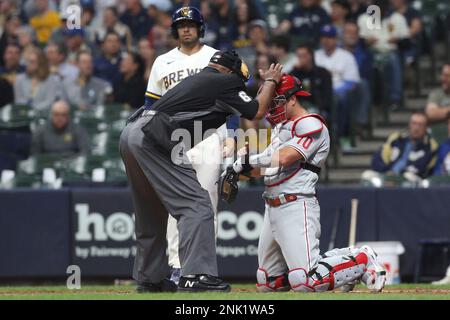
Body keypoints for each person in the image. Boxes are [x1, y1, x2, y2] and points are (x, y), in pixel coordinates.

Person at [119, 50, 283, 292]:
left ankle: (149, 278)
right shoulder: (225, 81)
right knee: (197, 204)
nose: (239, 87)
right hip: (156, 137)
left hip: (132, 132)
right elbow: (256, 111)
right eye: (240, 81)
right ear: (229, 71)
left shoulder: (199, 79)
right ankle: (196, 275)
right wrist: (270, 81)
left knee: (150, 210)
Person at [223, 74, 386, 293]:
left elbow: (284, 157)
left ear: (293, 99)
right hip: (272, 207)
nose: (272, 106)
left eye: (277, 100)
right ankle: (345, 265)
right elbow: (265, 167)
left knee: (306, 281)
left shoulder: (311, 124)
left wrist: (247, 160)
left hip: (296, 204)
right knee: (269, 282)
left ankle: (361, 259)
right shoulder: (282, 128)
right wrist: (237, 168)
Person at [145, 6, 238, 285]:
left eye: (191, 24)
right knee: (177, 203)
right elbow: (151, 105)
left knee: (207, 200)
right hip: (174, 137)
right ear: (175, 30)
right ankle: (177, 266)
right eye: (181, 24)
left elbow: (232, 96)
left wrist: (233, 134)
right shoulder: (163, 61)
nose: (186, 29)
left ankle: (204, 268)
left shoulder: (215, 57)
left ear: (200, 28)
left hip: (209, 134)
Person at [357, 0, 409, 109]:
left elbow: (407, 42)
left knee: (393, 59)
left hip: (390, 52)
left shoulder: (397, 18)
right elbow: (360, 42)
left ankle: (394, 98)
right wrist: (367, 42)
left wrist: (398, 41)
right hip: (371, 52)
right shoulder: (364, 18)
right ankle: (374, 101)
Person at [315, 24, 360, 149]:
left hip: (339, 92)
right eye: (323, 37)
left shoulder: (346, 56)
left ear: (336, 39)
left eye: (329, 37)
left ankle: (342, 136)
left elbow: (352, 83)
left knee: (341, 98)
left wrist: (333, 91)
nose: (326, 40)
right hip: (320, 92)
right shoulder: (315, 55)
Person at [368, 112, 438, 180]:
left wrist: (398, 175)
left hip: (411, 178)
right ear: (409, 124)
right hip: (388, 173)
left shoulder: (430, 145)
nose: (416, 128)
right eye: (414, 123)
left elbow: (421, 168)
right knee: (367, 175)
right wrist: (388, 172)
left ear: (426, 127)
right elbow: (378, 159)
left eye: (420, 125)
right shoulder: (396, 138)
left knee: (408, 176)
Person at [291, 44, 333, 119]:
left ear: (311, 56)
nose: (300, 59)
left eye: (303, 56)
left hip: (319, 109)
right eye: (299, 56)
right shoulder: (294, 74)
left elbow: (327, 97)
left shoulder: (323, 73)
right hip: (299, 110)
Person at [14, 47, 63, 111]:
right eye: (27, 61)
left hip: (43, 115)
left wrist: (33, 109)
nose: (28, 64)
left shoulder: (51, 80)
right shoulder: (19, 79)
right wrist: (28, 109)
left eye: (32, 62)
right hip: (23, 114)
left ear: (40, 64)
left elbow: (49, 102)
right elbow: (18, 100)